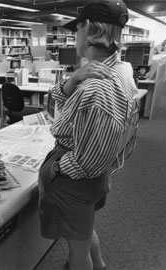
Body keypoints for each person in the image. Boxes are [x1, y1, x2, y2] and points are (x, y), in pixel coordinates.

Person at [38, 1, 135, 270]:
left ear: (90, 29)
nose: (75, 35)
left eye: (78, 28)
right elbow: (58, 99)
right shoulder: (121, 68)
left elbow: (89, 163)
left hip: (75, 180)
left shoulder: (97, 89)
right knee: (82, 233)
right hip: (93, 180)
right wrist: (74, 78)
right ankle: (101, 265)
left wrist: (56, 169)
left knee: (77, 249)